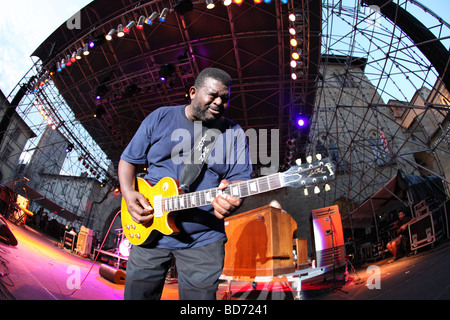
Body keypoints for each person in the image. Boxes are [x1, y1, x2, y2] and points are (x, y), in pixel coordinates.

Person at [118, 67, 253, 300]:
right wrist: (129, 193)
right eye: (212, 95)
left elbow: (241, 180)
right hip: (150, 230)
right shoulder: (160, 117)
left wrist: (234, 200)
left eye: (225, 98)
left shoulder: (233, 133)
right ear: (193, 92)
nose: (219, 102)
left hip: (203, 239)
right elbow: (128, 160)